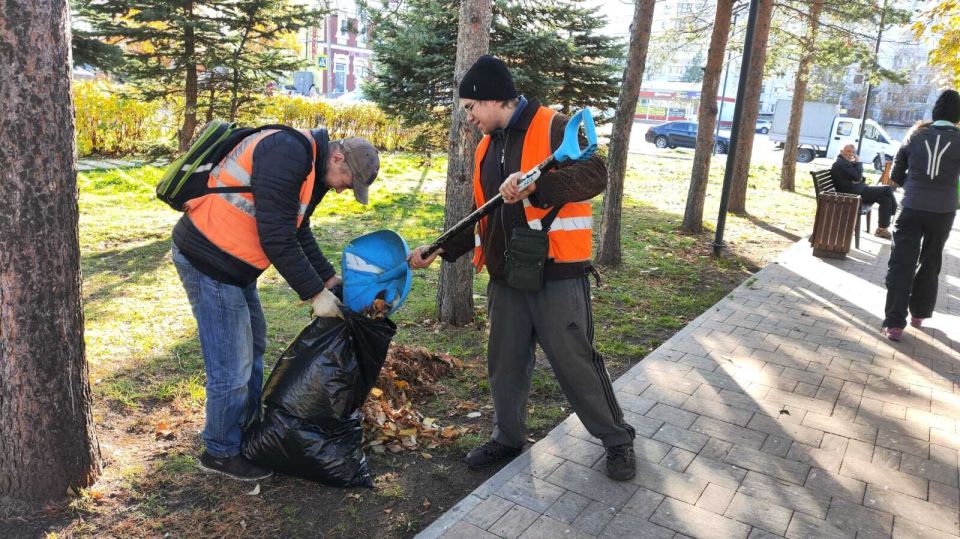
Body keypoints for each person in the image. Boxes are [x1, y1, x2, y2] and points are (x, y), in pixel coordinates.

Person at [408, 55, 637, 481]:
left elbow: (596, 172)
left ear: (492, 99)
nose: (470, 117)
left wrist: (538, 186)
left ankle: (617, 440)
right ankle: (508, 438)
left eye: (471, 108)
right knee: (505, 364)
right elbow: (484, 214)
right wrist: (440, 248)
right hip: (506, 277)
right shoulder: (485, 148)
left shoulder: (554, 126)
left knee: (576, 363)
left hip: (558, 274)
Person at [171, 124, 380, 480]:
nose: (346, 188)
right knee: (231, 364)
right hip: (208, 259)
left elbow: (298, 230)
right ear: (338, 156)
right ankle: (220, 450)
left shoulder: (313, 169)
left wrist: (330, 280)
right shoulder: (288, 154)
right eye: (348, 178)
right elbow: (276, 237)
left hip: (235, 265)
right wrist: (315, 294)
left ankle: (244, 433)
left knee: (254, 348)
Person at [881, 89, 960, 341]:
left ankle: (894, 324)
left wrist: (913, 186)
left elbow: (895, 175)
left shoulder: (914, 135)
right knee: (931, 261)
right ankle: (919, 314)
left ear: (934, 111)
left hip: (911, 207)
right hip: (944, 210)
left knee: (901, 263)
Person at [830, 143, 898, 239]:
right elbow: (857, 176)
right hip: (853, 195)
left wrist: (858, 178)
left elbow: (860, 178)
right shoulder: (841, 163)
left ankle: (881, 229)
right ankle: (894, 212)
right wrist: (858, 162)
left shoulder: (845, 162)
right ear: (841, 151)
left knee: (885, 198)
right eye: (848, 151)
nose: (850, 154)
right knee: (887, 189)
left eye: (852, 152)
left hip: (857, 191)